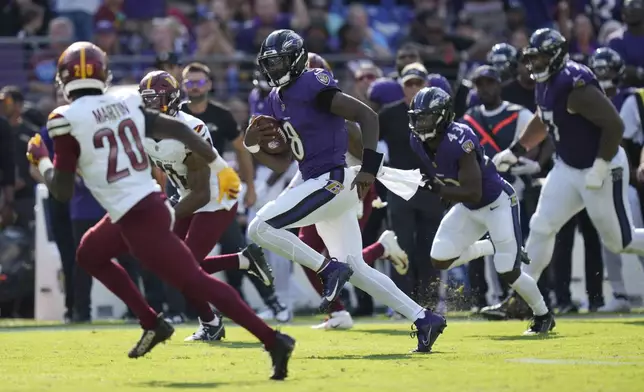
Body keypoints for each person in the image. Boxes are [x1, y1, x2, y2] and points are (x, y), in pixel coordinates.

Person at [26, 41, 293, 379]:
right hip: (142, 204)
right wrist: (218, 165)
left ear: (63, 79)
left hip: (145, 211)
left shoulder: (63, 117)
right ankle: (153, 322)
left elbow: (61, 191)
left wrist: (43, 159)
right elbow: (175, 129)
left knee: (191, 277)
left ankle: (273, 340)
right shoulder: (125, 104)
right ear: (103, 74)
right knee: (90, 254)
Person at [247, 29, 445, 353]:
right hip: (315, 180)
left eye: (280, 60)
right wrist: (252, 143)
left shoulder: (312, 83)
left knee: (260, 227)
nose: (274, 67)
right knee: (359, 269)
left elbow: (366, 115)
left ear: (296, 59)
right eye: (270, 62)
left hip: (332, 180)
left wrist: (368, 169)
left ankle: (328, 269)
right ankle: (424, 318)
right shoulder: (275, 98)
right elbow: (282, 162)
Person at [491, 29, 644, 319]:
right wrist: (517, 149)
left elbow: (614, 126)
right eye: (531, 58)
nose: (534, 64)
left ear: (556, 55)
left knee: (619, 241)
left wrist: (600, 167)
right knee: (541, 226)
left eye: (539, 57)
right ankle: (522, 297)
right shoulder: (546, 82)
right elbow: (544, 116)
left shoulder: (576, 86)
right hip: (568, 166)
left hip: (602, 165)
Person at [138, 70, 275, 341]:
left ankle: (212, 323)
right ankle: (241, 262)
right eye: (146, 100)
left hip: (216, 197)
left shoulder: (190, 128)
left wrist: (166, 215)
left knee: (184, 268)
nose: (149, 105)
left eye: (155, 99)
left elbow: (201, 193)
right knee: (167, 264)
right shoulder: (143, 129)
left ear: (171, 100)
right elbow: (160, 170)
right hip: (186, 194)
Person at [407, 86, 555, 335]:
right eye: (417, 116)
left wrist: (439, 190)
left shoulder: (460, 139)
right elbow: (448, 175)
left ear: (443, 117)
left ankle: (543, 314)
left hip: (496, 202)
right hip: (468, 206)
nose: (420, 123)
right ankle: (489, 246)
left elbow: (473, 191)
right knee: (440, 258)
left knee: (508, 270)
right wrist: (444, 188)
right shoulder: (416, 141)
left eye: (427, 117)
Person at [298, 52, 409, 330]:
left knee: (343, 259)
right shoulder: (300, 109)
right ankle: (338, 309)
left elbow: (360, 148)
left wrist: (366, 181)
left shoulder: (336, 108)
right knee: (310, 250)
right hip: (323, 187)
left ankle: (343, 309)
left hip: (351, 188)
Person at [379, 62, 444, 308]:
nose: (415, 88)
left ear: (427, 84)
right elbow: (368, 141)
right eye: (410, 84)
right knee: (400, 247)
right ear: (402, 86)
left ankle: (428, 302)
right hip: (398, 188)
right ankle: (401, 303)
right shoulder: (388, 113)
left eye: (419, 83)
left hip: (432, 188)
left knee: (430, 248)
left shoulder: (439, 111)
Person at [601, 46, 644, 312]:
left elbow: (625, 143)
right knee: (608, 237)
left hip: (625, 181)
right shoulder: (579, 99)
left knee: (632, 235)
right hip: (597, 179)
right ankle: (618, 292)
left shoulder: (632, 98)